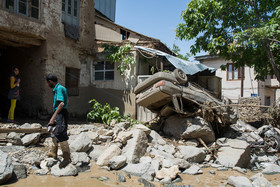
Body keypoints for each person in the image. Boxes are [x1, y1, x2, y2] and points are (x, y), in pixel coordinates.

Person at [46, 73, 71, 168]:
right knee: (53, 131)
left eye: (48, 83)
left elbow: (61, 103)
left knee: (61, 133)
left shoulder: (59, 89)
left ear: (50, 81)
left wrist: (53, 117)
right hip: (59, 112)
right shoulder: (58, 88)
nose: (48, 85)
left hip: (61, 113)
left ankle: (66, 158)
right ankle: (53, 153)